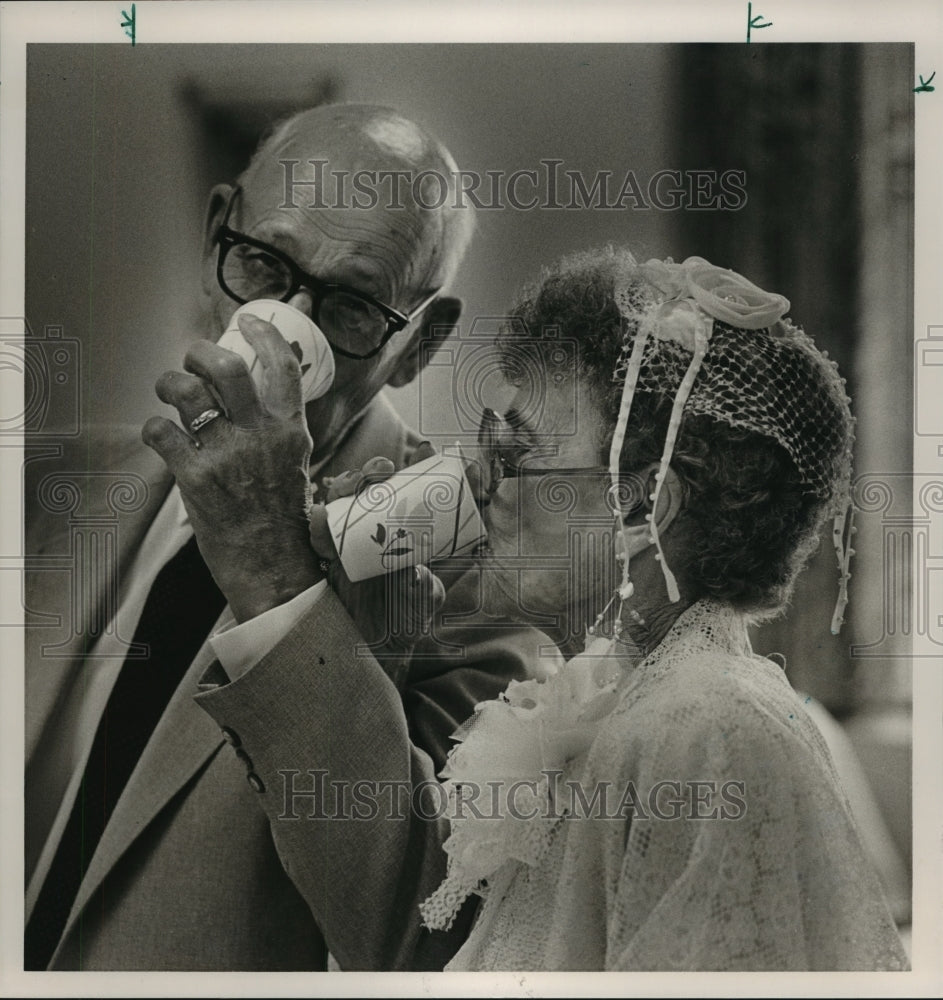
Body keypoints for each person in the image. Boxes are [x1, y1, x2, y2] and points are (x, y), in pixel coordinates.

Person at [24, 103, 529, 971]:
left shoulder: (472, 565)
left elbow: (426, 932)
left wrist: (272, 571)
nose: (282, 333)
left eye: (350, 306)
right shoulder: (56, 492)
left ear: (417, 345)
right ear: (220, 229)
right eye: (262, 264)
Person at [308, 246, 910, 970]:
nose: (480, 475)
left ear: (638, 506)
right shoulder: (599, 707)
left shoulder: (707, 729)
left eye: (516, 448)